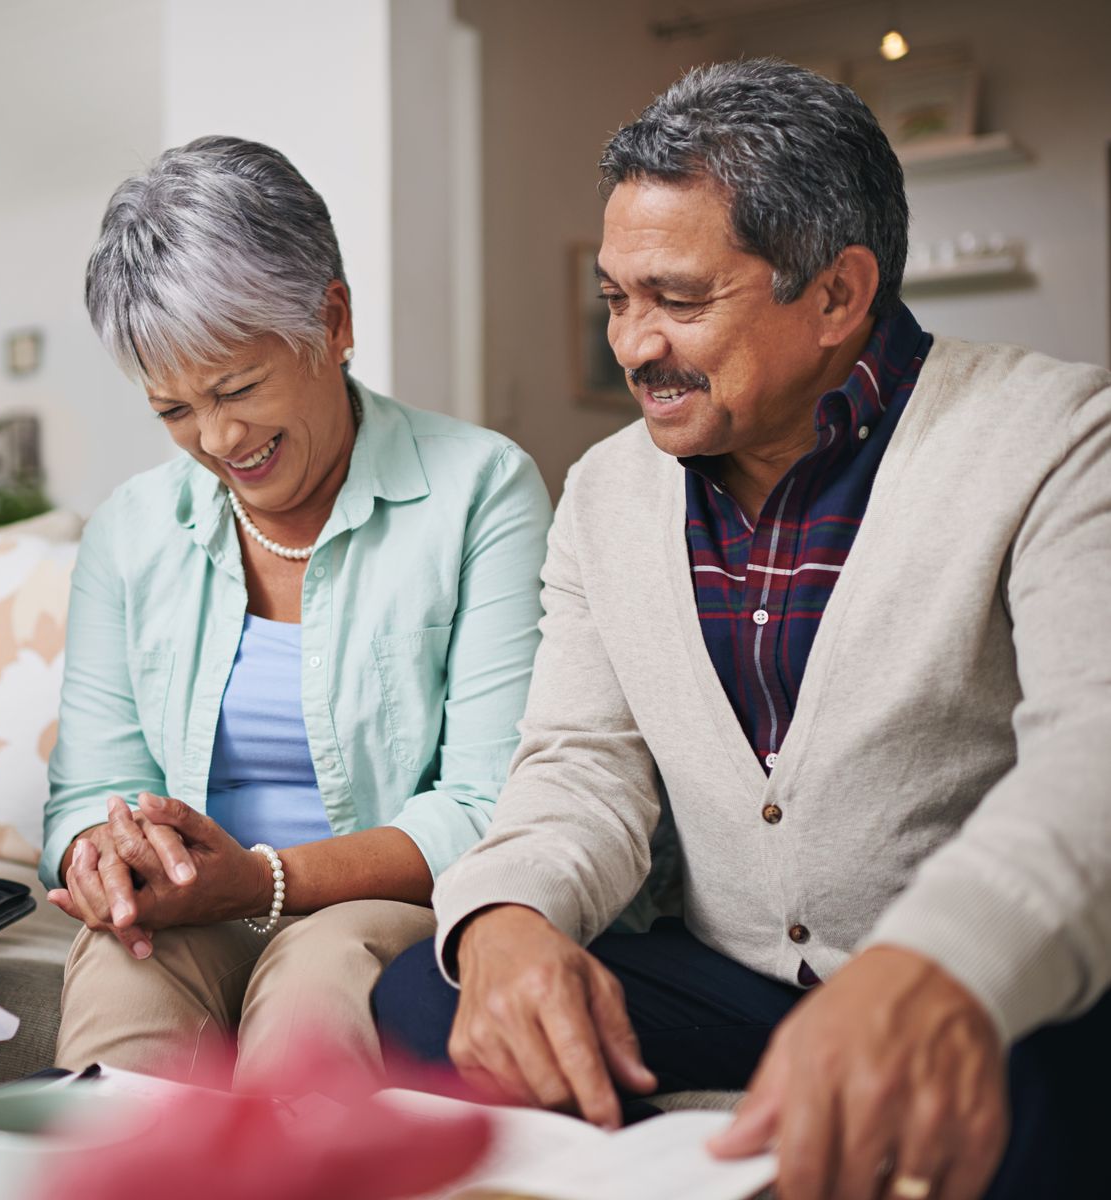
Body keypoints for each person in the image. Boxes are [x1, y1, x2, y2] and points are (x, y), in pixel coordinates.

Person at [372, 59, 1111, 1200]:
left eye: (677, 300)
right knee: (431, 994)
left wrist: (941, 966)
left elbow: (1090, 762)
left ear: (837, 294)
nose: (631, 345)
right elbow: (581, 766)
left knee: (1053, 1093)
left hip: (965, 982)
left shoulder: (1058, 437)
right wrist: (507, 916)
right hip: (740, 988)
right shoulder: (604, 492)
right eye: (616, 298)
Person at [42, 136, 552, 1090]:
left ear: (334, 319)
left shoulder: (481, 490)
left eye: (237, 388)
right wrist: (100, 857)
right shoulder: (131, 530)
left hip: (382, 906)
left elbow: (492, 805)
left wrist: (265, 879)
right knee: (122, 970)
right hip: (198, 906)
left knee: (317, 976)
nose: (218, 438)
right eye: (173, 410)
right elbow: (89, 789)